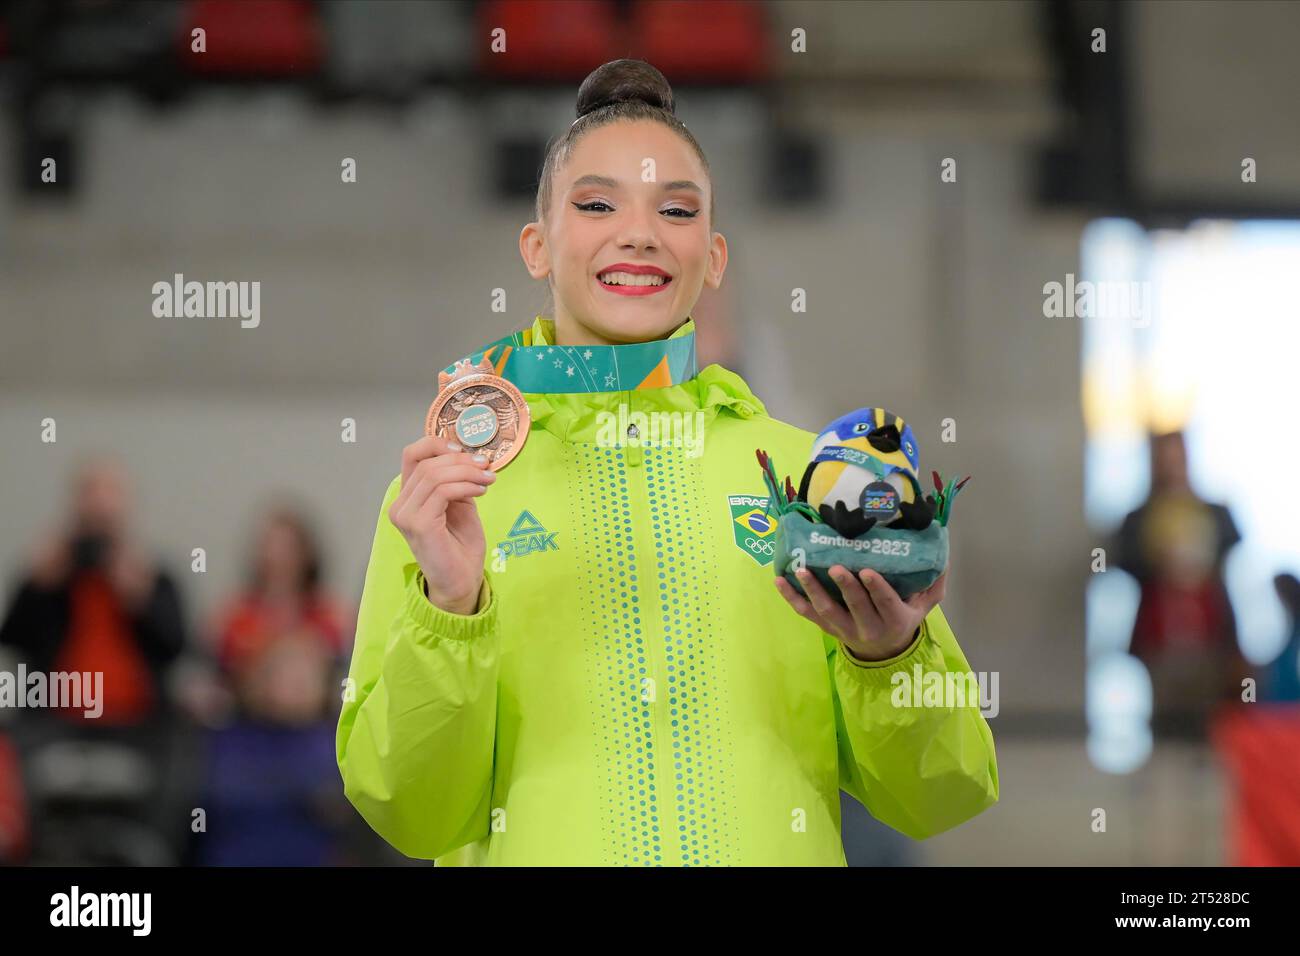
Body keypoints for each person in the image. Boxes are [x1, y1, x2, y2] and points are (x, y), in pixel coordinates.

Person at [337, 59, 999, 866]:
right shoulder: (448, 496)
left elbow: (941, 792)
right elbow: (411, 811)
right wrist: (450, 605)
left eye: (676, 209)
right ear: (537, 247)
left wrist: (890, 656)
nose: (639, 232)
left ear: (713, 258)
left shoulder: (810, 483)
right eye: (596, 204)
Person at [1113, 431, 1246, 735]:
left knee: (1214, 727)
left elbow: (1234, 542)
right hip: (1159, 641)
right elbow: (1119, 558)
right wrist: (1160, 559)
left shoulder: (1212, 511)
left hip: (1210, 640)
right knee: (1166, 726)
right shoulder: (1140, 517)